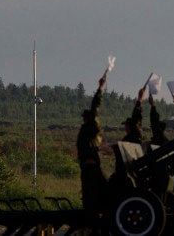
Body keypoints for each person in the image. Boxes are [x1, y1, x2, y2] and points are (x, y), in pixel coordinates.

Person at [76, 74, 108, 233]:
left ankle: (93, 227)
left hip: (90, 169)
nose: (83, 120)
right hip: (88, 168)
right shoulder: (90, 131)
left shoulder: (91, 129)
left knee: (90, 201)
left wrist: (100, 89)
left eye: (85, 118)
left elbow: (95, 109)